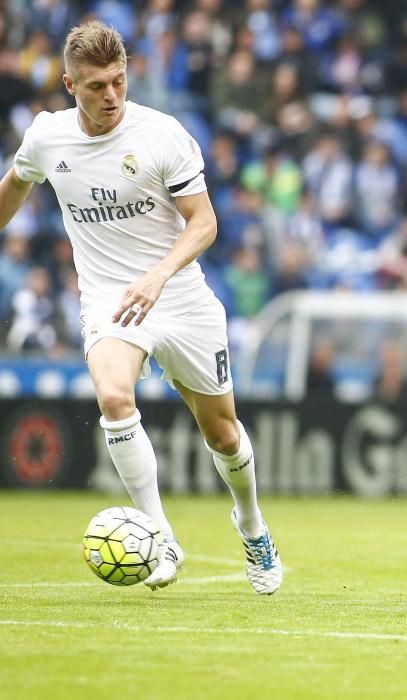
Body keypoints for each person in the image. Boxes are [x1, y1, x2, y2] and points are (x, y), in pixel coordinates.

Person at [0, 22, 282, 594]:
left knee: (223, 433)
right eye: (97, 85)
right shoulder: (48, 138)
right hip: (108, 297)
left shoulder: (162, 135)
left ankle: (252, 525)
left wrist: (157, 276)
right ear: (68, 84)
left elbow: (204, 223)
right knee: (113, 396)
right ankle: (160, 535)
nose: (110, 95)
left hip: (179, 295)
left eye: (119, 81)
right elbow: (15, 184)